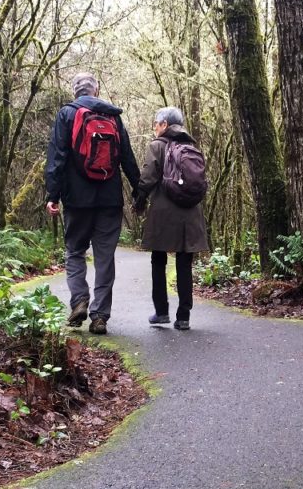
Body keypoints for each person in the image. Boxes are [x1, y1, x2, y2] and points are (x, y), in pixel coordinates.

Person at [45, 73, 140, 335]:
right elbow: (127, 158)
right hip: (109, 200)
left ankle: (79, 301)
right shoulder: (113, 117)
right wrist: (138, 192)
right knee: (104, 258)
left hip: (76, 200)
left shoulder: (66, 115)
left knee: (75, 251)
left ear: (75, 91)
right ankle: (99, 316)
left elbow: (57, 157)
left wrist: (52, 195)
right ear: (96, 91)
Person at [133, 107, 209, 330]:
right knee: (185, 263)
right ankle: (183, 316)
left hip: (164, 212)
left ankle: (161, 312)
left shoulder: (158, 146)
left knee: (159, 259)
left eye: (156, 123)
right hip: (191, 213)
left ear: (164, 124)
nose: (154, 127)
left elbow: (148, 177)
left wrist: (139, 198)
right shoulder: (191, 147)